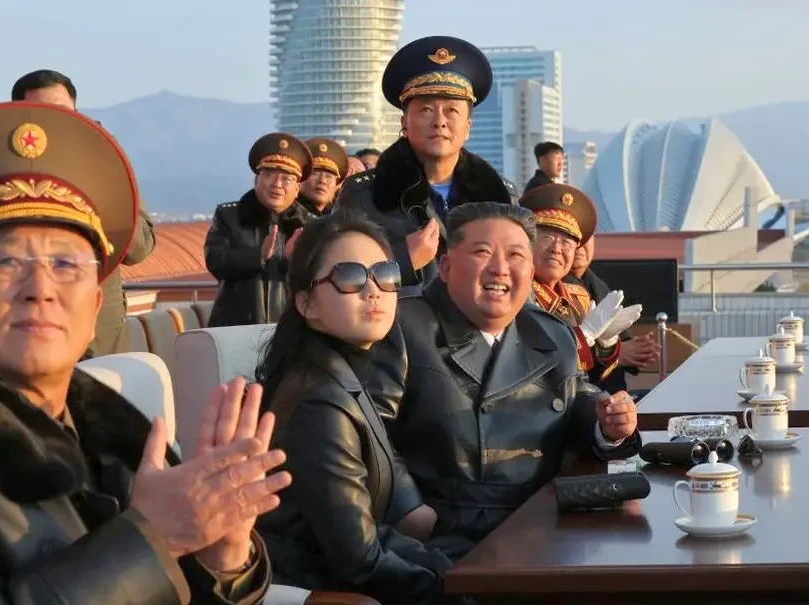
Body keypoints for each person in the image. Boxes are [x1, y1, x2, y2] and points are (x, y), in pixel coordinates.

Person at [0, 101, 291, 603]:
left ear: (94, 307)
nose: (39, 289)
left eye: (65, 264)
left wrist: (221, 561)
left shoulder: (119, 439)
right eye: (7, 261)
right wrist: (153, 539)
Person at [367, 202, 641, 546]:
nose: (500, 269)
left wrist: (607, 424)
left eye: (516, 255)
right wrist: (408, 508)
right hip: (445, 533)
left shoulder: (551, 332)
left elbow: (575, 397)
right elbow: (369, 436)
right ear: (446, 266)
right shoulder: (404, 328)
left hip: (545, 521)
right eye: (482, 252)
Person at [255, 212, 461, 604]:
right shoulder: (318, 402)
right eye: (350, 276)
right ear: (307, 303)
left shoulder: (345, 372)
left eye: (385, 274)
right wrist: (460, 587)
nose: (373, 290)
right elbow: (359, 560)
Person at [336, 36, 517, 296]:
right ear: (404, 123)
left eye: (452, 111)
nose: (439, 122)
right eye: (426, 110)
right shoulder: (364, 196)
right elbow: (337, 275)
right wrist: (402, 260)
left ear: (468, 127)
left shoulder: (501, 198)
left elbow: (520, 283)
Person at [11, 68, 157, 356]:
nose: (55, 123)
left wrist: (101, 184)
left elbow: (140, 248)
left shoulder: (106, 157)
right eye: (41, 114)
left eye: (63, 112)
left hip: (97, 331)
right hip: (21, 325)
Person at [520, 184, 642, 385]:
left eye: (567, 243)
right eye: (547, 237)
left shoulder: (578, 297)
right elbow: (535, 366)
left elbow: (589, 377)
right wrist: (583, 336)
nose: (557, 249)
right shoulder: (517, 293)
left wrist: (606, 344)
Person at [205, 132, 316, 327]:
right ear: (256, 180)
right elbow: (215, 261)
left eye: (286, 179)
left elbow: (320, 278)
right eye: (269, 175)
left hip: (292, 329)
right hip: (235, 327)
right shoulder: (230, 216)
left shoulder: (311, 225)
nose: (277, 184)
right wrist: (259, 257)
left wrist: (295, 261)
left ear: (297, 188)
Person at [566, 235, 659, 392]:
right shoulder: (550, 287)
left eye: (586, 237)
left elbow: (620, 342)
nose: (579, 246)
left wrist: (628, 349)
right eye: (572, 239)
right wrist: (612, 352)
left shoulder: (597, 283)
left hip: (612, 392)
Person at [299, 138, 349, 217]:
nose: (322, 181)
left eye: (329, 176)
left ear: (337, 186)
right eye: (315, 174)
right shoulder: (289, 215)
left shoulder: (341, 218)